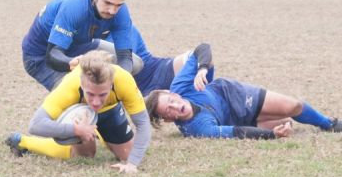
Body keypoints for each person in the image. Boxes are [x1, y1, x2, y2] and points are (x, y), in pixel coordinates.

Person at [5, 50, 152, 174]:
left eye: (102, 94)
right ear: (82, 84)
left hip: (110, 111)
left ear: (111, 83)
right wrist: (76, 129)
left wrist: (132, 164)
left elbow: (143, 123)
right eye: (90, 94)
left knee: (127, 155)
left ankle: (102, 135)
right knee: (86, 155)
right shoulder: (70, 85)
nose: (95, 102)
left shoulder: (124, 80)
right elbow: (35, 125)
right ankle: (24, 142)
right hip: (81, 115)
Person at [145, 48, 342, 139]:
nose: (174, 107)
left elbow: (202, 48)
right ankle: (280, 123)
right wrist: (271, 135)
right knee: (286, 122)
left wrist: (203, 68)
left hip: (233, 94)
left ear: (174, 94)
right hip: (237, 120)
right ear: (169, 120)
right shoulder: (197, 128)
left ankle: (329, 124)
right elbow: (237, 132)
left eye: (171, 100)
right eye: (168, 111)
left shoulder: (180, 86)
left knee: (295, 106)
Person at [21, 0, 137, 91]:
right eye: (107, 3)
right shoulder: (73, 7)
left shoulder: (121, 12)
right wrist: (71, 62)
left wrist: (118, 80)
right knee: (80, 93)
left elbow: (125, 57)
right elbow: (52, 56)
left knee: (136, 64)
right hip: (41, 57)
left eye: (118, 5)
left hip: (80, 45)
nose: (112, 11)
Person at [104, 25, 213, 96]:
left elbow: (202, 51)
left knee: (201, 61)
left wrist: (202, 69)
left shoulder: (125, 28)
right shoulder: (91, 41)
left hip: (156, 70)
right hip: (140, 88)